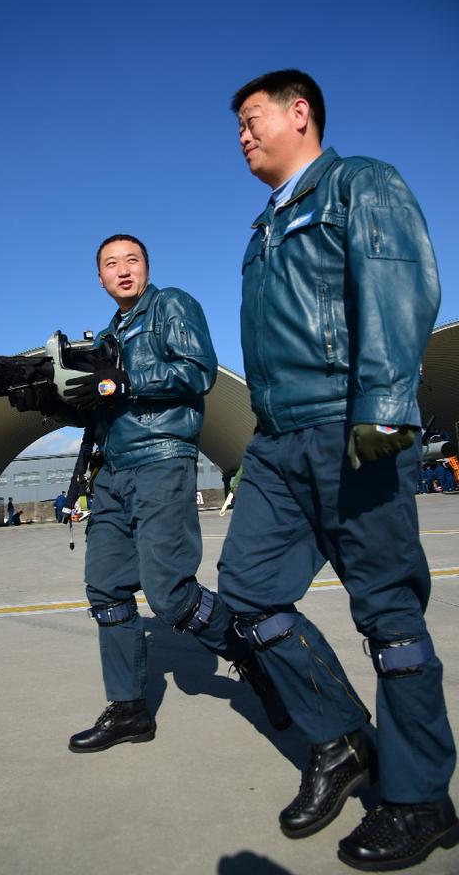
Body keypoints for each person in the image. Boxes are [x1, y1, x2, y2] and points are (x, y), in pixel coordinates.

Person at [218, 69, 457, 871]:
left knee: (388, 616)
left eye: (252, 119)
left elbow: (401, 284)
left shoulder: (360, 185)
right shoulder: (262, 227)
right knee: (248, 595)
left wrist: (383, 411)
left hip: (350, 427)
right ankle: (345, 737)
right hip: (278, 441)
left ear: (300, 114)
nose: (243, 135)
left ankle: (422, 797)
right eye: (239, 126)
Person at [62, 234, 285, 753]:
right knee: (107, 590)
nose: (122, 270)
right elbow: (105, 402)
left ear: (146, 266)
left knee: (168, 593)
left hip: (162, 459)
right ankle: (128, 709)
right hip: (112, 474)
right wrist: (64, 402)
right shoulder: (106, 338)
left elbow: (196, 371)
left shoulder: (171, 305)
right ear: (99, 278)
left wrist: (122, 380)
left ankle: (257, 658)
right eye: (111, 264)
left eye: (131, 260)